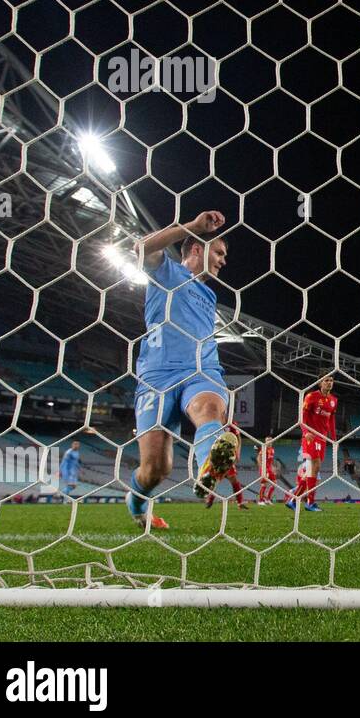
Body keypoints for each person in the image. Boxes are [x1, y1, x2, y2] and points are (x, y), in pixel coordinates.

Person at [127, 211, 236, 530]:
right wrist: (192, 226)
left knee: (209, 408)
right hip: (157, 375)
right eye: (219, 252)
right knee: (155, 469)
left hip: (202, 370)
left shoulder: (210, 295)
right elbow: (142, 248)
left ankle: (208, 468)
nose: (223, 261)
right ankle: (136, 501)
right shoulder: (165, 271)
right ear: (197, 249)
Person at [288, 374, 337, 513]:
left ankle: (293, 500)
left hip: (323, 438)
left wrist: (333, 437)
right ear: (320, 383)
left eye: (331, 380)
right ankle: (309, 502)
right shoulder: (311, 396)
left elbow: (332, 420)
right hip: (310, 436)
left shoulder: (333, 400)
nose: (329, 383)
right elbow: (302, 417)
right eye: (326, 380)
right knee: (315, 467)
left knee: (313, 470)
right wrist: (305, 432)